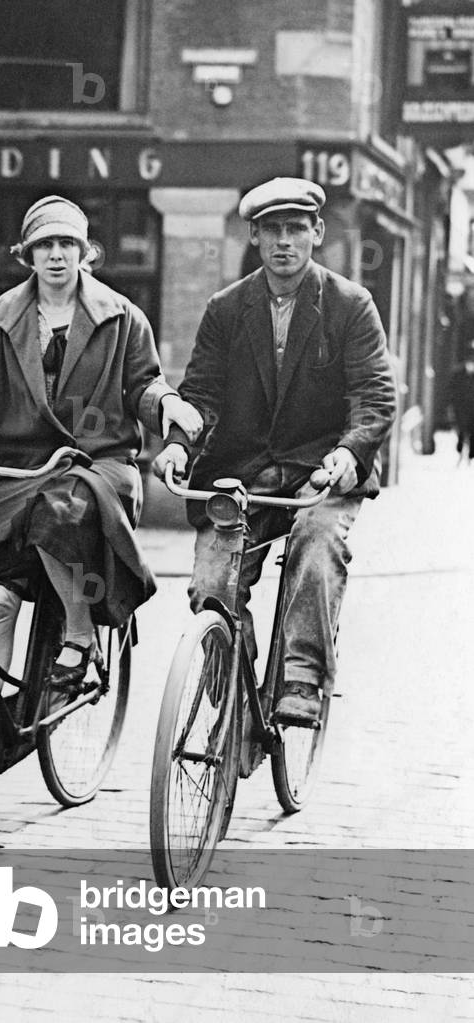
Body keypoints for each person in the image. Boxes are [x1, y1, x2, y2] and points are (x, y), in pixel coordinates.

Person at [0, 194, 201, 726]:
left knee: (57, 513)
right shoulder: (1, 319)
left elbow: (142, 384)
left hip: (99, 465)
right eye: (44, 245)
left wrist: (167, 405)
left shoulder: (122, 317)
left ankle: (79, 635)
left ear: (85, 252)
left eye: (66, 244)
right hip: (22, 471)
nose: (55, 255)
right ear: (28, 255)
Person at [153, 177, 396, 724]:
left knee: (316, 541)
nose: (284, 242)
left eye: (295, 229)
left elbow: (375, 396)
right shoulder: (226, 308)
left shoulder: (350, 305)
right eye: (271, 231)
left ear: (316, 232)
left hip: (322, 471)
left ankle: (301, 679)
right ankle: (232, 699)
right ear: (255, 239)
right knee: (213, 584)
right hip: (243, 474)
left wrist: (349, 453)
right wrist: (176, 445)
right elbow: (202, 393)